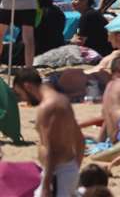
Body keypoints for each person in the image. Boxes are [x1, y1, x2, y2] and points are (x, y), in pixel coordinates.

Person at [14, 68, 83, 197]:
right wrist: (75, 167)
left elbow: (51, 148)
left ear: (27, 86)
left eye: (20, 94)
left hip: (58, 173)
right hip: (64, 170)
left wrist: (46, 185)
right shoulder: (62, 100)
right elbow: (80, 139)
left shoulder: (47, 107)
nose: (24, 99)